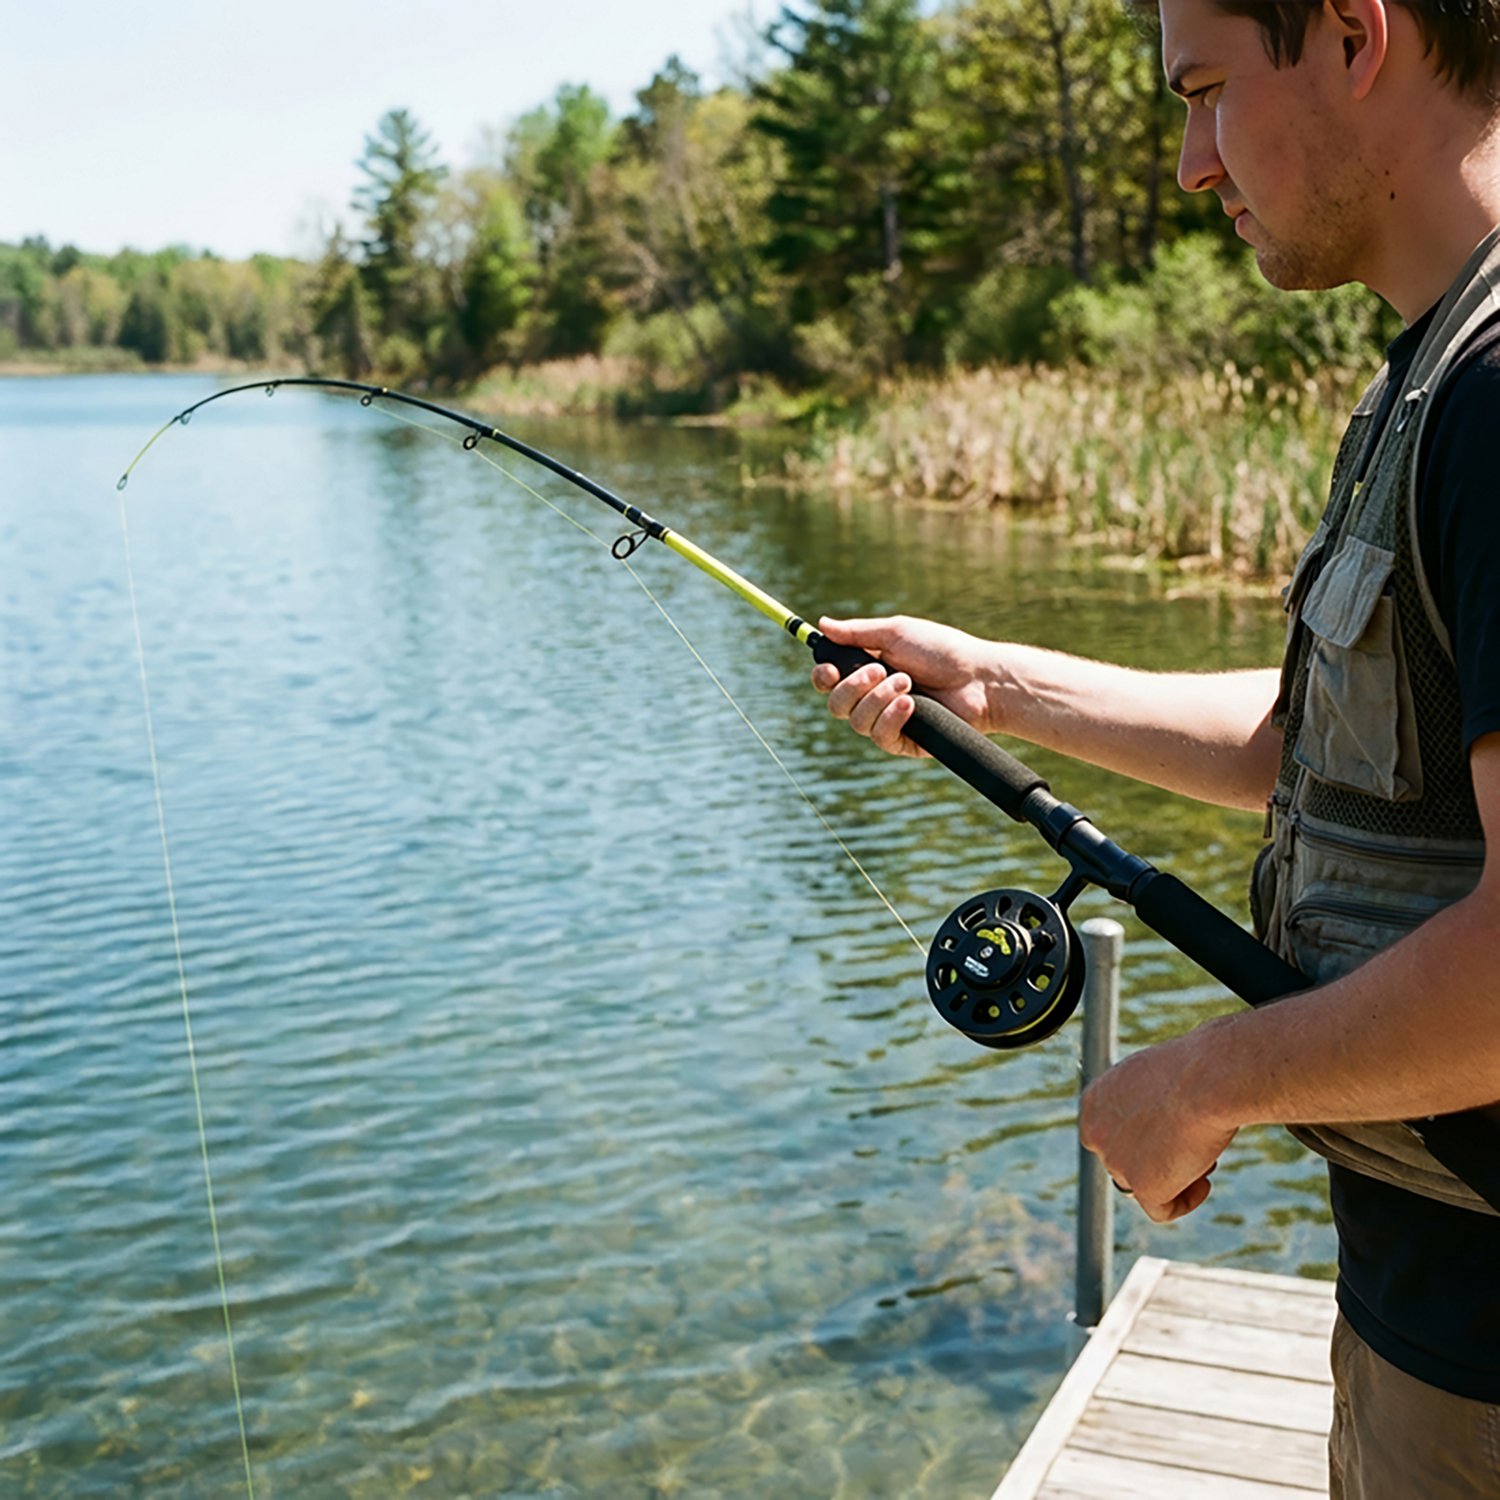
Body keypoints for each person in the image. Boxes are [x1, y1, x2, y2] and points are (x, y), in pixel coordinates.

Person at [812, 2, 1500, 1494]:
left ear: (1352, 34)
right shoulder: (1426, 380)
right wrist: (992, 681)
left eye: (1205, 93)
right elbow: (1312, 747)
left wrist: (1205, 1083)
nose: (1192, 164)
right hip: (1420, 1305)